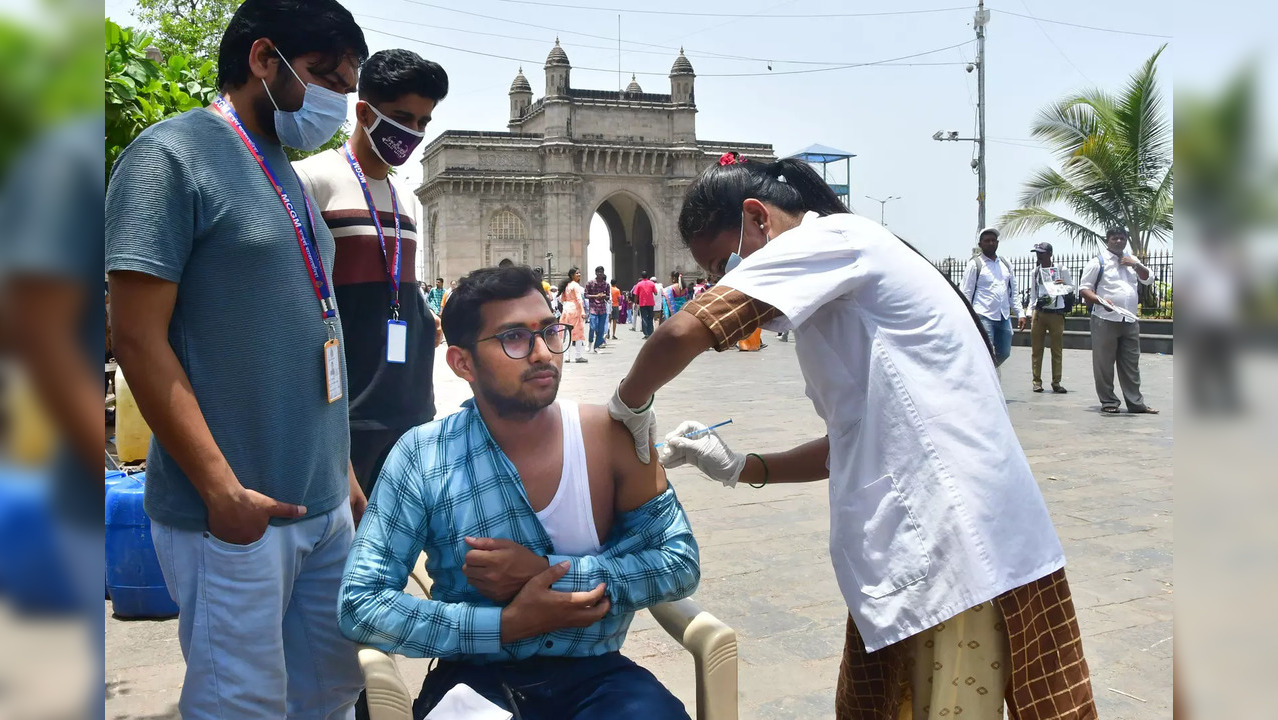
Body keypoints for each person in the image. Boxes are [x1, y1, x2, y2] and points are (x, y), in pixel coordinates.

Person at [607, 153, 1095, 720]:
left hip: (953, 545)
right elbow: (856, 441)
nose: (722, 281)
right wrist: (741, 466)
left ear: (758, 219)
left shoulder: (831, 239)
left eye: (723, 263)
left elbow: (684, 329)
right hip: (935, 538)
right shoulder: (839, 287)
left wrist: (626, 407)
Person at [104, 1, 369, 717]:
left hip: (322, 505)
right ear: (262, 59)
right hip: (231, 515)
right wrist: (223, 495)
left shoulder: (287, 172)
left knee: (333, 695)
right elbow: (134, 336)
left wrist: (340, 471)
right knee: (240, 704)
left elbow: (314, 327)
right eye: (323, 76)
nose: (337, 100)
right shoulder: (171, 155)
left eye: (346, 84)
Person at [339, 265, 699, 719]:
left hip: (598, 677)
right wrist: (504, 625)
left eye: (549, 331)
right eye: (514, 338)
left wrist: (546, 573)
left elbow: (678, 563)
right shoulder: (422, 457)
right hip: (474, 680)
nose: (542, 354)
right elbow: (361, 603)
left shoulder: (610, 438)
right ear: (461, 362)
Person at [294, 48, 448, 505]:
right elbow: (300, 301)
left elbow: (400, 286)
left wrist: (423, 318)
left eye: (424, 122)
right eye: (403, 117)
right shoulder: (310, 180)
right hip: (346, 410)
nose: (413, 133)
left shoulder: (406, 196)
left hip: (408, 405)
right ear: (364, 111)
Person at [1078, 227, 1160, 415]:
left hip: (1129, 319)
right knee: (1104, 363)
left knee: (1131, 363)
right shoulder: (1097, 262)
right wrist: (1100, 300)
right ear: (1107, 240)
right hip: (1105, 318)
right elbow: (1084, 289)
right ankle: (1108, 401)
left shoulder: (1132, 260)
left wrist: (1135, 265)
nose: (1119, 241)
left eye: (1122, 238)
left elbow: (1148, 279)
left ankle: (1135, 403)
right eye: (1114, 238)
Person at [960, 227, 1025, 368]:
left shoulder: (1005, 264)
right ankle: (986, 381)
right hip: (983, 315)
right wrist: (967, 317)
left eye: (993, 240)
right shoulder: (975, 265)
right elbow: (966, 293)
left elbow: (1013, 292)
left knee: (1005, 352)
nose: (991, 243)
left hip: (1003, 316)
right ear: (980, 244)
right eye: (987, 241)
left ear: (997, 243)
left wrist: (1020, 313)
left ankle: (989, 373)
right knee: (986, 352)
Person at [1027, 242, 1074, 394]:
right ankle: (1036, 381)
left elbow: (1071, 287)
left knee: (1056, 349)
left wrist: (1062, 285)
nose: (1039, 256)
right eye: (1037, 253)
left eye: (1042, 253)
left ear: (1050, 254)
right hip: (1039, 313)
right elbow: (1033, 294)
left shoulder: (1061, 269)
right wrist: (1030, 312)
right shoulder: (1035, 271)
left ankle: (1056, 382)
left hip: (1056, 313)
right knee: (1036, 349)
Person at [559, 267, 588, 362]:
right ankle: (578, 355)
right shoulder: (575, 285)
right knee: (578, 333)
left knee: (567, 333)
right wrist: (583, 311)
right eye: (577, 273)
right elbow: (579, 299)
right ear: (572, 275)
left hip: (566, 309)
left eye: (579, 273)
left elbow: (561, 299)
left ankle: (566, 356)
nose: (579, 275)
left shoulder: (566, 286)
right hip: (575, 309)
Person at [585, 265, 610, 353]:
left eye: (601, 272)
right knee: (592, 326)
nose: (600, 273)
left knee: (601, 329)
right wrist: (596, 296)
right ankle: (590, 342)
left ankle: (596, 346)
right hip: (593, 308)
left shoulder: (606, 284)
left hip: (602, 308)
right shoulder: (590, 283)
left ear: (603, 273)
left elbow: (608, 296)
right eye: (598, 272)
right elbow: (586, 295)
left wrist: (604, 296)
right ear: (595, 273)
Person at [631, 271, 658, 338]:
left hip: (642, 303)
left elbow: (636, 295)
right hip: (650, 303)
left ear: (641, 276)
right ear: (647, 276)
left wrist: (635, 303)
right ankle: (650, 332)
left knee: (644, 318)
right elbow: (656, 293)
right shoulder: (651, 283)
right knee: (650, 317)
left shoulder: (639, 284)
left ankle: (646, 333)